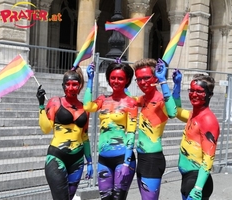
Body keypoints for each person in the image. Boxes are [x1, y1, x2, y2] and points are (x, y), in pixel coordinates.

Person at [36, 67, 93, 200]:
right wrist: (41, 106)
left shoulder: (84, 108)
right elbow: (46, 129)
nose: (71, 87)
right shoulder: (55, 102)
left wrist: (89, 161)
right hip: (57, 157)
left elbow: (84, 136)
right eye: (68, 84)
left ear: (79, 86)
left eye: (74, 84)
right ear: (63, 86)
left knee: (69, 197)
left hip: (77, 160)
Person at [84, 62, 138, 200]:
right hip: (103, 159)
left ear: (127, 80)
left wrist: (126, 163)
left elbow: (131, 133)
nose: (116, 81)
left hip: (123, 158)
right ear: (108, 78)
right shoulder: (103, 100)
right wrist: (90, 80)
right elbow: (87, 106)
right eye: (113, 78)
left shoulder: (130, 103)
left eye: (120, 78)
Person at [131, 58, 177, 200]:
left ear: (154, 77)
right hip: (142, 157)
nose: (142, 82)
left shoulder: (161, 99)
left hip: (152, 159)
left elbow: (173, 113)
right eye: (138, 79)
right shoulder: (143, 99)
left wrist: (163, 80)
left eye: (146, 78)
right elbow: (127, 99)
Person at [172, 70, 220, 200]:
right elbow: (176, 111)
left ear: (210, 95)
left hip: (197, 180)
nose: (194, 94)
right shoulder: (194, 115)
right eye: (191, 90)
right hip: (188, 178)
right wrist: (177, 84)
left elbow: (208, 158)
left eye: (199, 91)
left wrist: (198, 188)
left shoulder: (208, 120)